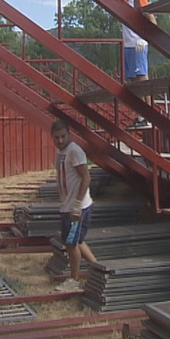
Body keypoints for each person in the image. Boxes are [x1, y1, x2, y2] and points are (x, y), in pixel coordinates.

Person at [51, 119, 96, 292]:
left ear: (69, 134)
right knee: (78, 241)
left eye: (63, 136)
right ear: (52, 137)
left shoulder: (75, 151)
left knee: (71, 243)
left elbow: (86, 177)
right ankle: (98, 269)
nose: (60, 140)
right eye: (57, 137)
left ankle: (74, 280)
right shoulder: (62, 152)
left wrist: (77, 204)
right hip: (68, 205)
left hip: (77, 208)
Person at [112, 0, 155, 129]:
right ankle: (141, 115)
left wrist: (145, 39)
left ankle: (148, 115)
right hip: (128, 45)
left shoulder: (140, 0)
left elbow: (152, 20)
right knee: (132, 80)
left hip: (138, 43)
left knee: (142, 78)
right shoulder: (124, 3)